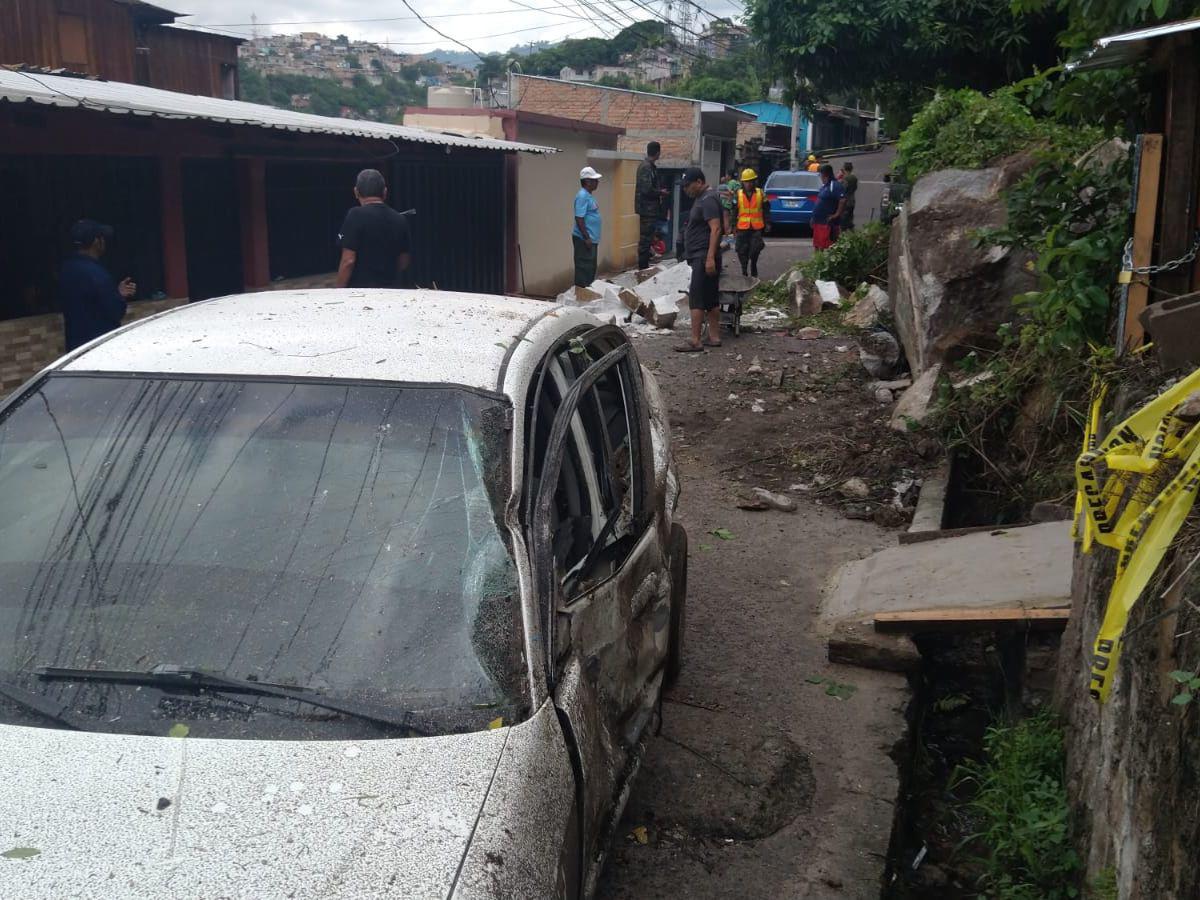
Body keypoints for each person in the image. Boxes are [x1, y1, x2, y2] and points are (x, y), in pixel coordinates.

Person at [58, 219, 136, 352]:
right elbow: (115, 311)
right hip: (99, 346)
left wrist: (116, 292)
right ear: (96, 242)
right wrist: (119, 296)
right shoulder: (97, 274)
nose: (104, 242)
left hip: (75, 346)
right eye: (102, 238)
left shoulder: (67, 268)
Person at [336, 168, 412, 288]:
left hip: (361, 293)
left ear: (356, 192)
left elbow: (348, 261)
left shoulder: (355, 215)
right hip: (391, 292)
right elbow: (404, 262)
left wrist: (338, 291)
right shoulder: (400, 219)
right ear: (385, 192)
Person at [675, 167, 724, 352]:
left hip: (703, 256)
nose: (687, 190)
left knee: (696, 297)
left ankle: (695, 340)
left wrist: (710, 257)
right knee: (711, 297)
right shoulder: (704, 198)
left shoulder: (708, 199)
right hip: (704, 255)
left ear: (699, 182)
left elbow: (716, 228)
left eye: (688, 186)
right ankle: (714, 337)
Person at [635, 142, 666, 270]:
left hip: (651, 210)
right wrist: (660, 192)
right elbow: (646, 189)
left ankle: (645, 267)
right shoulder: (646, 167)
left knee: (648, 241)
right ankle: (642, 269)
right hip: (647, 210)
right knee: (645, 241)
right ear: (657, 153)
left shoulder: (651, 167)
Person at [734, 168, 770, 278]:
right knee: (741, 250)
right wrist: (732, 226)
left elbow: (766, 209)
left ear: (754, 181)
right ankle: (744, 270)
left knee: (755, 249)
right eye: (746, 181)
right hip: (742, 228)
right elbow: (733, 211)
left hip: (756, 228)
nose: (748, 184)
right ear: (742, 182)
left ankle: (753, 267)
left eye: (751, 181)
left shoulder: (760, 193)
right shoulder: (738, 194)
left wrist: (767, 223)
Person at [573, 166, 603, 290]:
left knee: (590, 268)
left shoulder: (588, 195)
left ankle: (587, 294)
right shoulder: (582, 196)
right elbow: (579, 218)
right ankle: (581, 295)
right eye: (595, 180)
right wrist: (586, 237)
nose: (597, 182)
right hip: (584, 239)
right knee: (584, 269)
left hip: (591, 239)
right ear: (587, 181)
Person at [811, 163, 846, 251]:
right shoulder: (824, 187)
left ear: (825, 175)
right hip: (818, 221)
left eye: (821, 175)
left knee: (827, 246)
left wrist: (837, 214)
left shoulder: (834, 185)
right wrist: (813, 218)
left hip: (827, 223)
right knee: (817, 245)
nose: (820, 177)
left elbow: (842, 200)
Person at [839, 161, 859, 231]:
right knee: (850, 218)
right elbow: (855, 188)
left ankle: (843, 234)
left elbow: (843, 189)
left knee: (844, 220)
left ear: (844, 168)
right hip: (852, 200)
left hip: (845, 201)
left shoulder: (845, 178)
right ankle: (852, 233)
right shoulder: (854, 178)